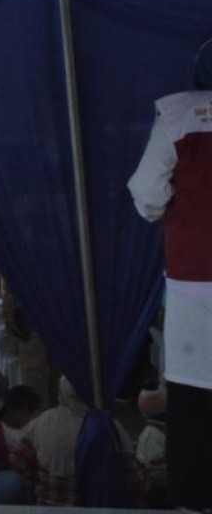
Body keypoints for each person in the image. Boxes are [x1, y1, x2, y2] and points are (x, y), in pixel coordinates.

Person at [127, 37, 212, 514]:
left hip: (196, 283)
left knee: (195, 397)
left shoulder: (179, 116)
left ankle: (194, 500)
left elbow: (147, 194)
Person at [9, 377, 145, 507]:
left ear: (61, 391)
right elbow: (137, 481)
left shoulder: (41, 423)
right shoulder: (110, 426)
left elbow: (16, 465)